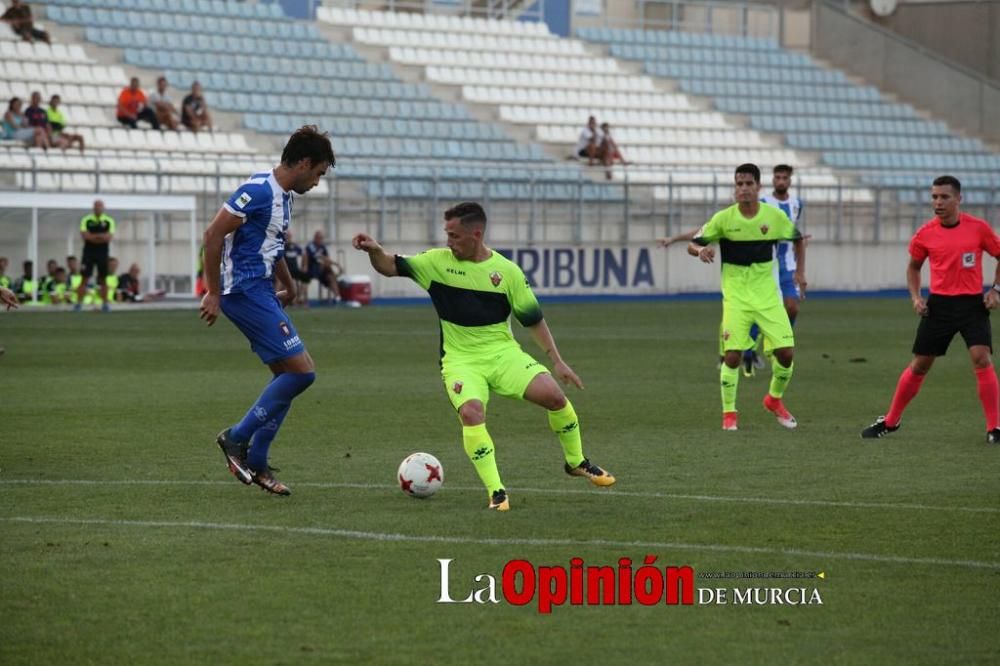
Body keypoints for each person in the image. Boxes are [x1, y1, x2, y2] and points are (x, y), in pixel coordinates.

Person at [353, 201, 616, 512]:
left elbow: (532, 318)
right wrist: (374, 250)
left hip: (502, 353)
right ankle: (497, 492)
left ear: (475, 234)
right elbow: (389, 265)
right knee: (472, 413)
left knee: (555, 397)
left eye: (454, 236)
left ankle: (576, 462)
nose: (448, 242)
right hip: (461, 360)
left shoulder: (506, 272)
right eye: (446, 235)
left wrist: (556, 360)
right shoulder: (435, 263)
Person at [199, 125, 334, 495]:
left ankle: (257, 463)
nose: (318, 182)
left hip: (262, 291)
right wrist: (212, 292)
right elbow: (212, 235)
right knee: (303, 373)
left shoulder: (284, 197)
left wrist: (289, 285)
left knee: (286, 377)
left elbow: (272, 245)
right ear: (304, 162)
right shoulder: (257, 191)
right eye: (319, 173)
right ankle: (236, 438)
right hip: (242, 291)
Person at [862, 175, 1000, 443]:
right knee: (920, 364)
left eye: (944, 197)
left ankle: (994, 428)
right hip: (940, 306)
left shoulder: (978, 229)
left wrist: (996, 289)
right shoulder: (925, 234)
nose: (938, 202)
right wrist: (916, 297)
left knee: (981, 357)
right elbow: (914, 267)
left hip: (972, 305)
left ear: (959, 199)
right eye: (934, 197)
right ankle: (891, 421)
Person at [688, 163, 806, 431]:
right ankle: (729, 414)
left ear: (758, 187)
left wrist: (800, 272)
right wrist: (700, 251)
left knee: (786, 353)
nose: (743, 189)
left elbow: (797, 239)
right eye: (738, 184)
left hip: (767, 297)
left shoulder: (773, 217)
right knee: (732, 357)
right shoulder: (723, 219)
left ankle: (774, 400)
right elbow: (693, 243)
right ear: (735, 188)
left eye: (748, 184)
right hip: (737, 298)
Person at [74, 199, 116, 312]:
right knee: (84, 278)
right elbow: (85, 236)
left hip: (102, 253)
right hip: (88, 253)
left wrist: (93, 237)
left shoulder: (109, 221)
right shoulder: (86, 220)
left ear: (103, 208)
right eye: (96, 206)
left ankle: (105, 304)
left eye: (100, 206)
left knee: (103, 279)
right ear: (93, 208)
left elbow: (109, 237)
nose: (98, 208)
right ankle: (78, 304)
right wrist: (100, 237)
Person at [303, 230, 342, 302]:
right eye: (319, 238)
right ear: (315, 237)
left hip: (321, 270)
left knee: (331, 277)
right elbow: (309, 256)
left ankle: (338, 297)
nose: (320, 240)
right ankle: (304, 300)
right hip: (312, 268)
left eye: (321, 238)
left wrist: (333, 263)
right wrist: (336, 264)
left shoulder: (322, 247)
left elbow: (326, 258)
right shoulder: (310, 246)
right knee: (326, 266)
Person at [282, 229, 311, 306]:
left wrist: (305, 266)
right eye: (287, 236)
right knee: (293, 282)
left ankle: (303, 300)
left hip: (295, 270)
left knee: (306, 279)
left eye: (289, 236)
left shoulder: (295, 246)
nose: (288, 238)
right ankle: (294, 302)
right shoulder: (283, 246)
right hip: (287, 270)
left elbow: (305, 254)